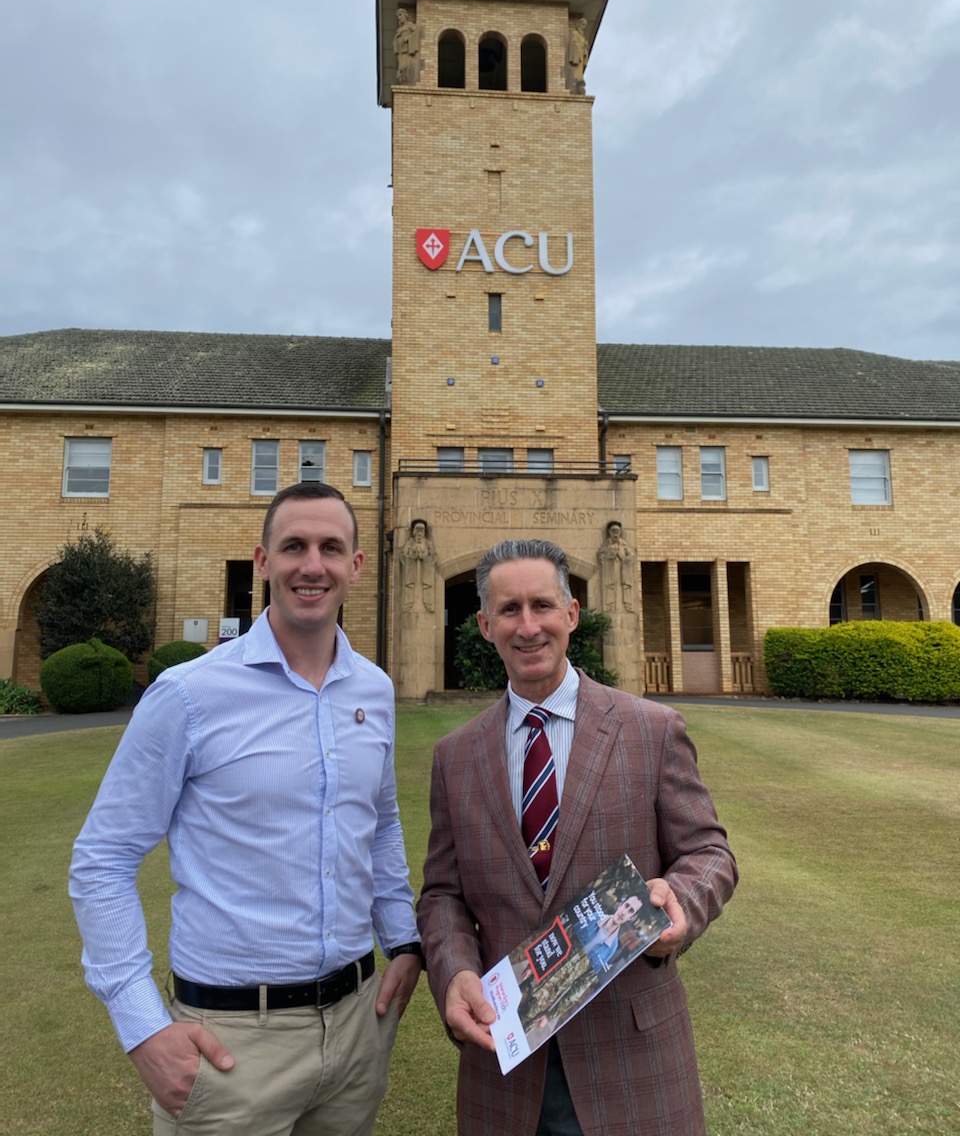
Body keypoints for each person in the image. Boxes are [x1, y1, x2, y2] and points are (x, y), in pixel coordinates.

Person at [70, 481, 423, 1136]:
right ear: (262, 561)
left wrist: (402, 936)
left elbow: (379, 821)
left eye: (330, 547)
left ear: (356, 565)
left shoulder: (373, 690)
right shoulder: (188, 695)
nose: (311, 565)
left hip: (355, 1031)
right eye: (293, 546)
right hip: (232, 1043)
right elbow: (103, 859)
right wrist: (143, 1026)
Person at [418, 538, 737, 1136]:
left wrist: (682, 905)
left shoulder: (650, 729)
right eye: (509, 610)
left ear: (572, 614)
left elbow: (710, 853)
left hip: (631, 1057)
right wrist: (455, 971)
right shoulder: (454, 757)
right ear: (485, 625)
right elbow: (442, 895)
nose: (528, 625)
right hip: (505, 1064)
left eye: (543, 605)